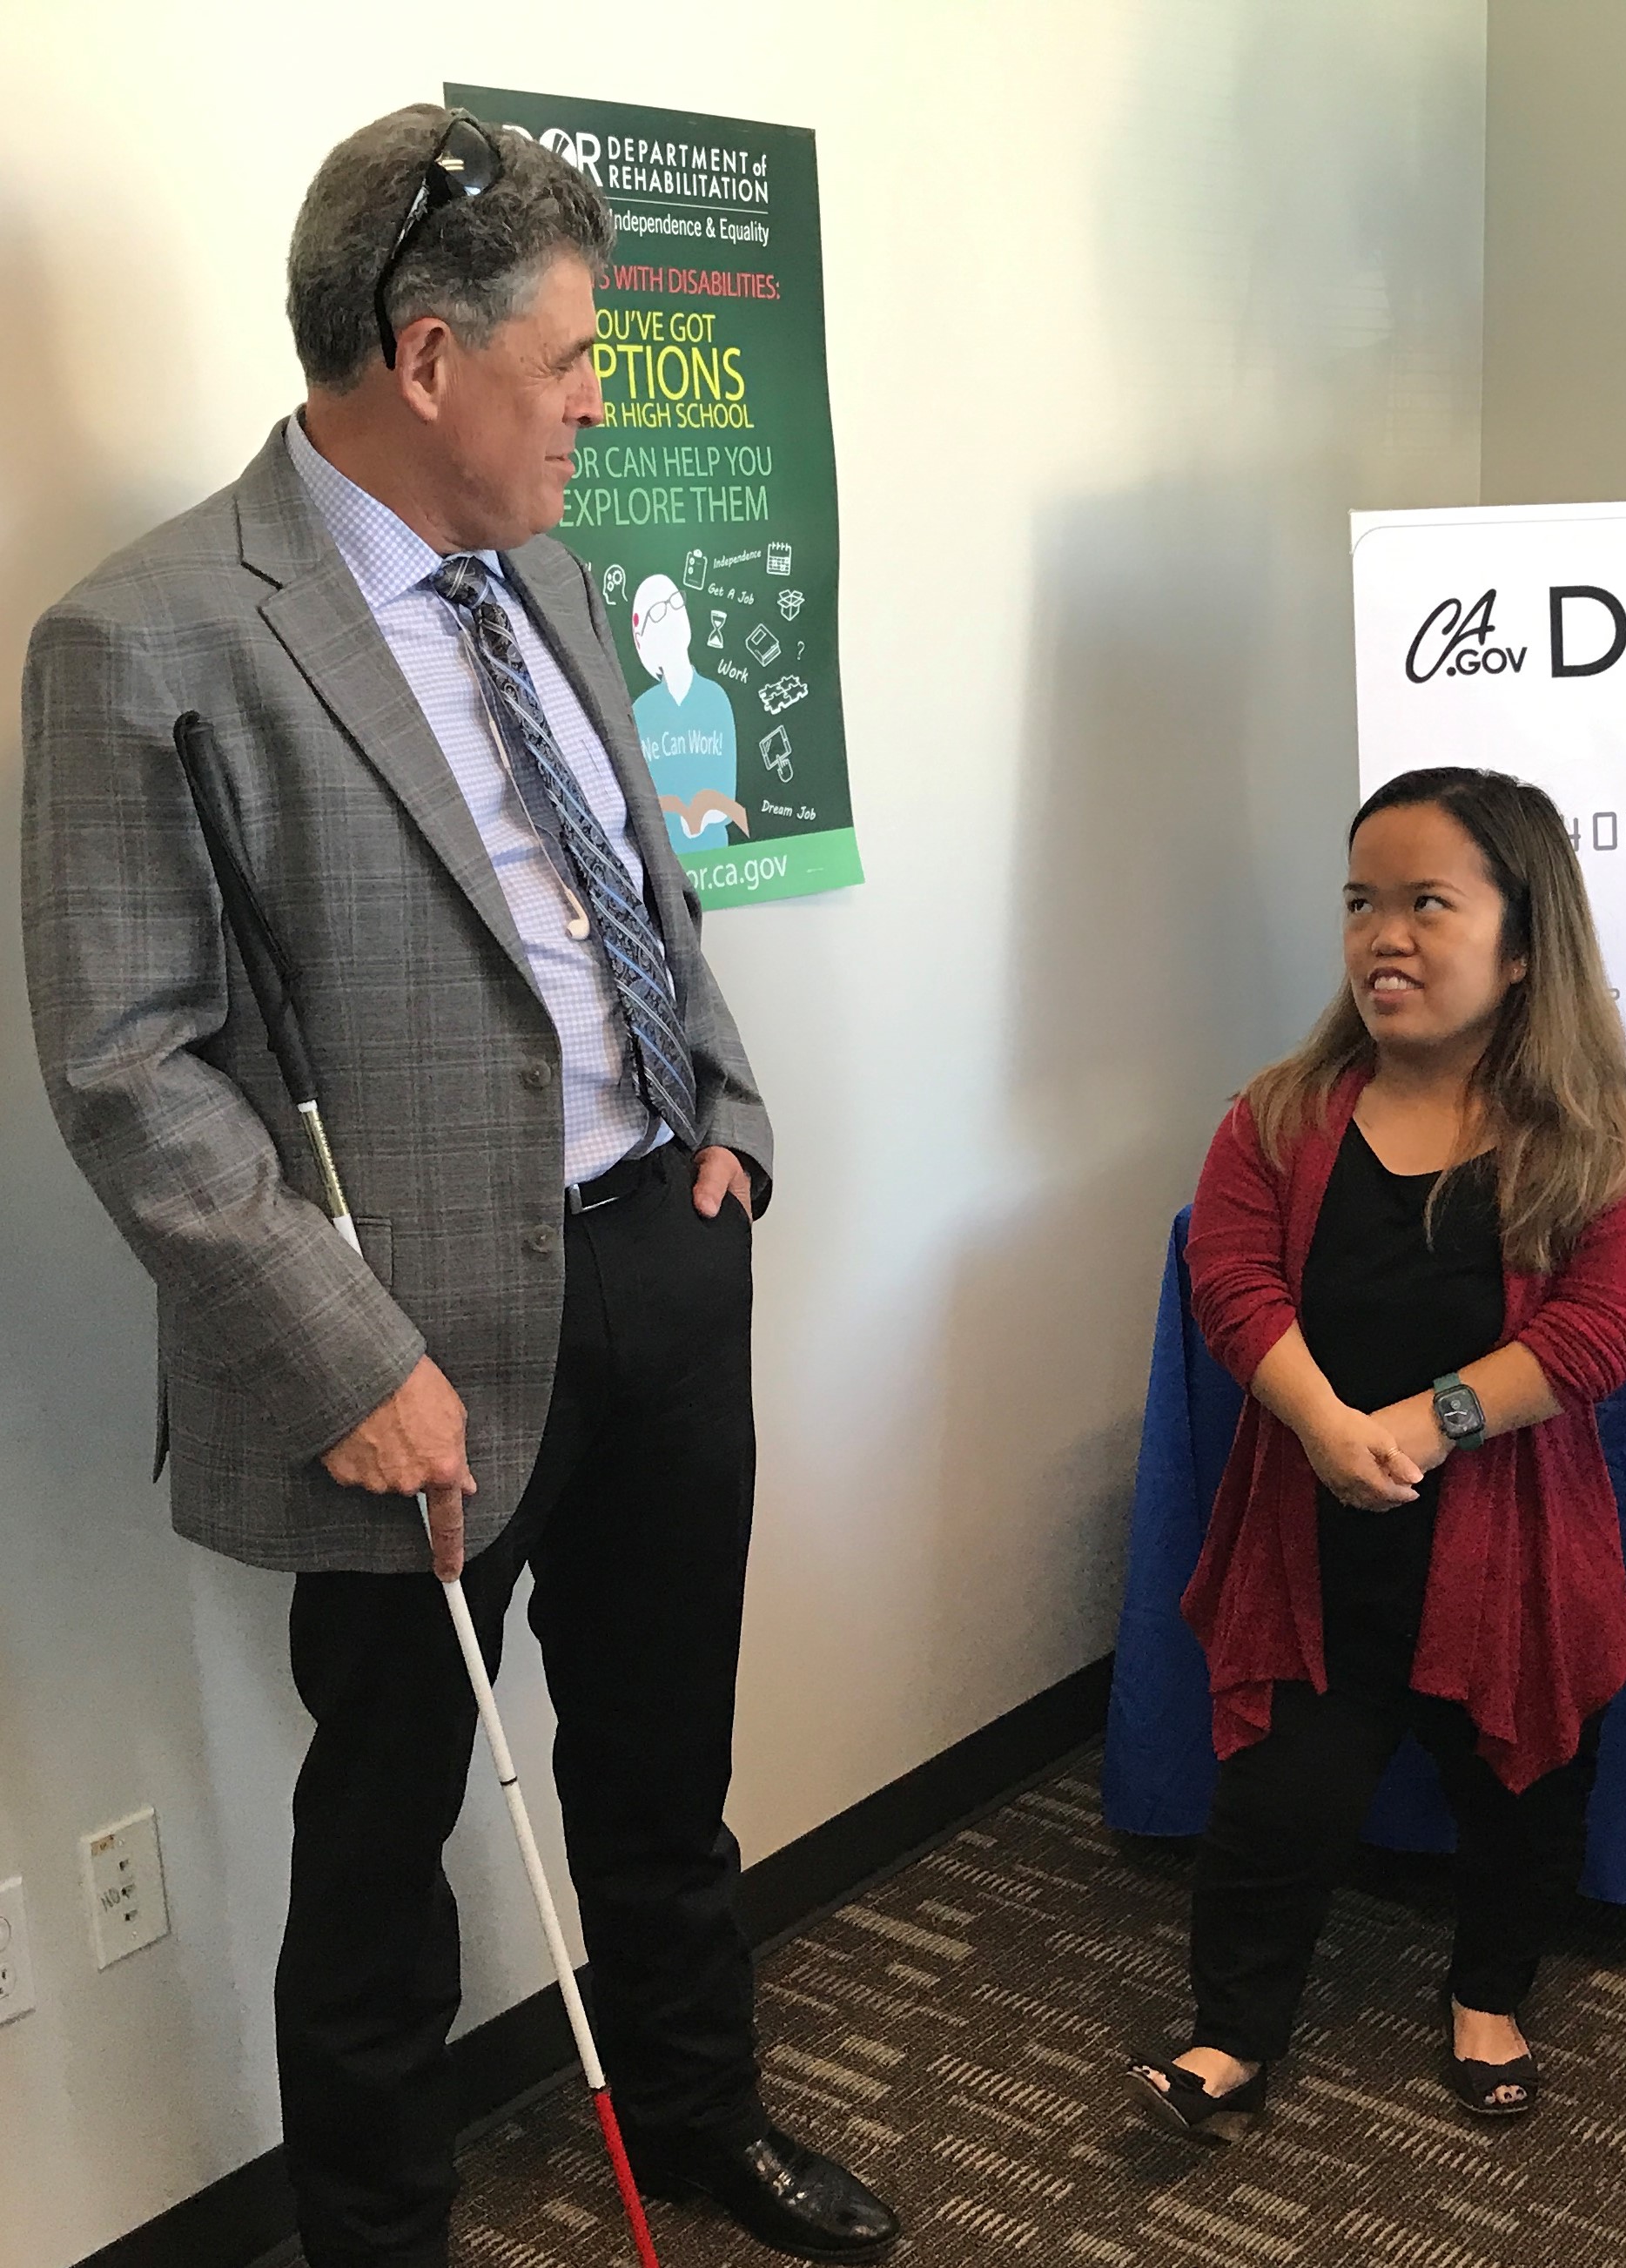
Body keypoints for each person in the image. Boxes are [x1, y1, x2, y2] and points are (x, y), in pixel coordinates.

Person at [19, 107, 896, 2266]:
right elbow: (126, 1065)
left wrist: (733, 1133)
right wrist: (345, 1355)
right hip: (401, 1357)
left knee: (666, 1769)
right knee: (390, 1834)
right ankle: (381, 2238)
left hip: (660, 1269)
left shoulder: (558, 578)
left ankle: (698, 2123)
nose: (601, 399)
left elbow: (644, 902)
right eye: (571, 357)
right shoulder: (150, 640)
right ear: (426, 358)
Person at [1126, 766, 1626, 2141]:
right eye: (1363, 902)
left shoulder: (1585, 1137)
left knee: (1524, 1787)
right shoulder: (1282, 1112)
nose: (1385, 937)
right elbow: (1233, 1282)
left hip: (1504, 1544)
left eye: (1430, 903)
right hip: (1314, 1534)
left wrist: (1429, 1425)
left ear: (1525, 938)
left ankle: (1490, 1998)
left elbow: (1609, 1325)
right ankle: (1230, 2036)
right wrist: (1324, 1426)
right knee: (1274, 1803)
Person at [629, 571, 743, 849]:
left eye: (675, 602)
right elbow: (637, 798)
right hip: (661, 855)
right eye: (657, 612)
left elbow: (728, 792)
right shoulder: (641, 710)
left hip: (715, 850)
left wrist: (705, 816)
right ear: (642, 637)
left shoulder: (716, 698)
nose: (671, 614)